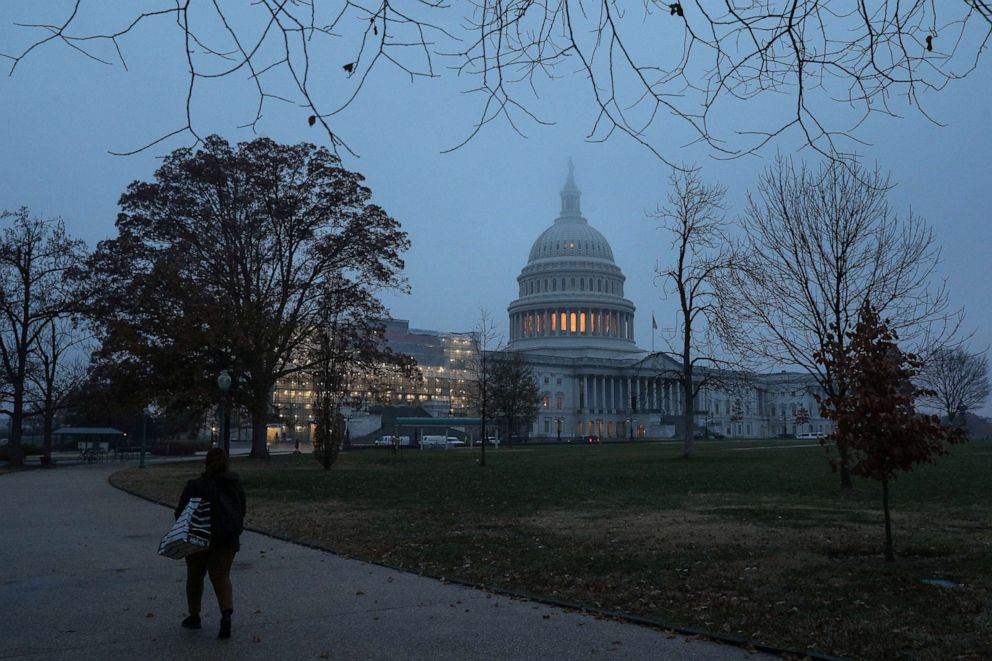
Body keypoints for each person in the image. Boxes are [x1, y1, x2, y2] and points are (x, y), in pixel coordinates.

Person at [174, 448, 246, 639]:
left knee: (195, 577)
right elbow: (241, 510)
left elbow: (181, 512)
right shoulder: (234, 485)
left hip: (199, 537)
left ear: (206, 463)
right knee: (221, 576)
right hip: (226, 538)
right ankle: (226, 613)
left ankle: (194, 615)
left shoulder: (195, 486)